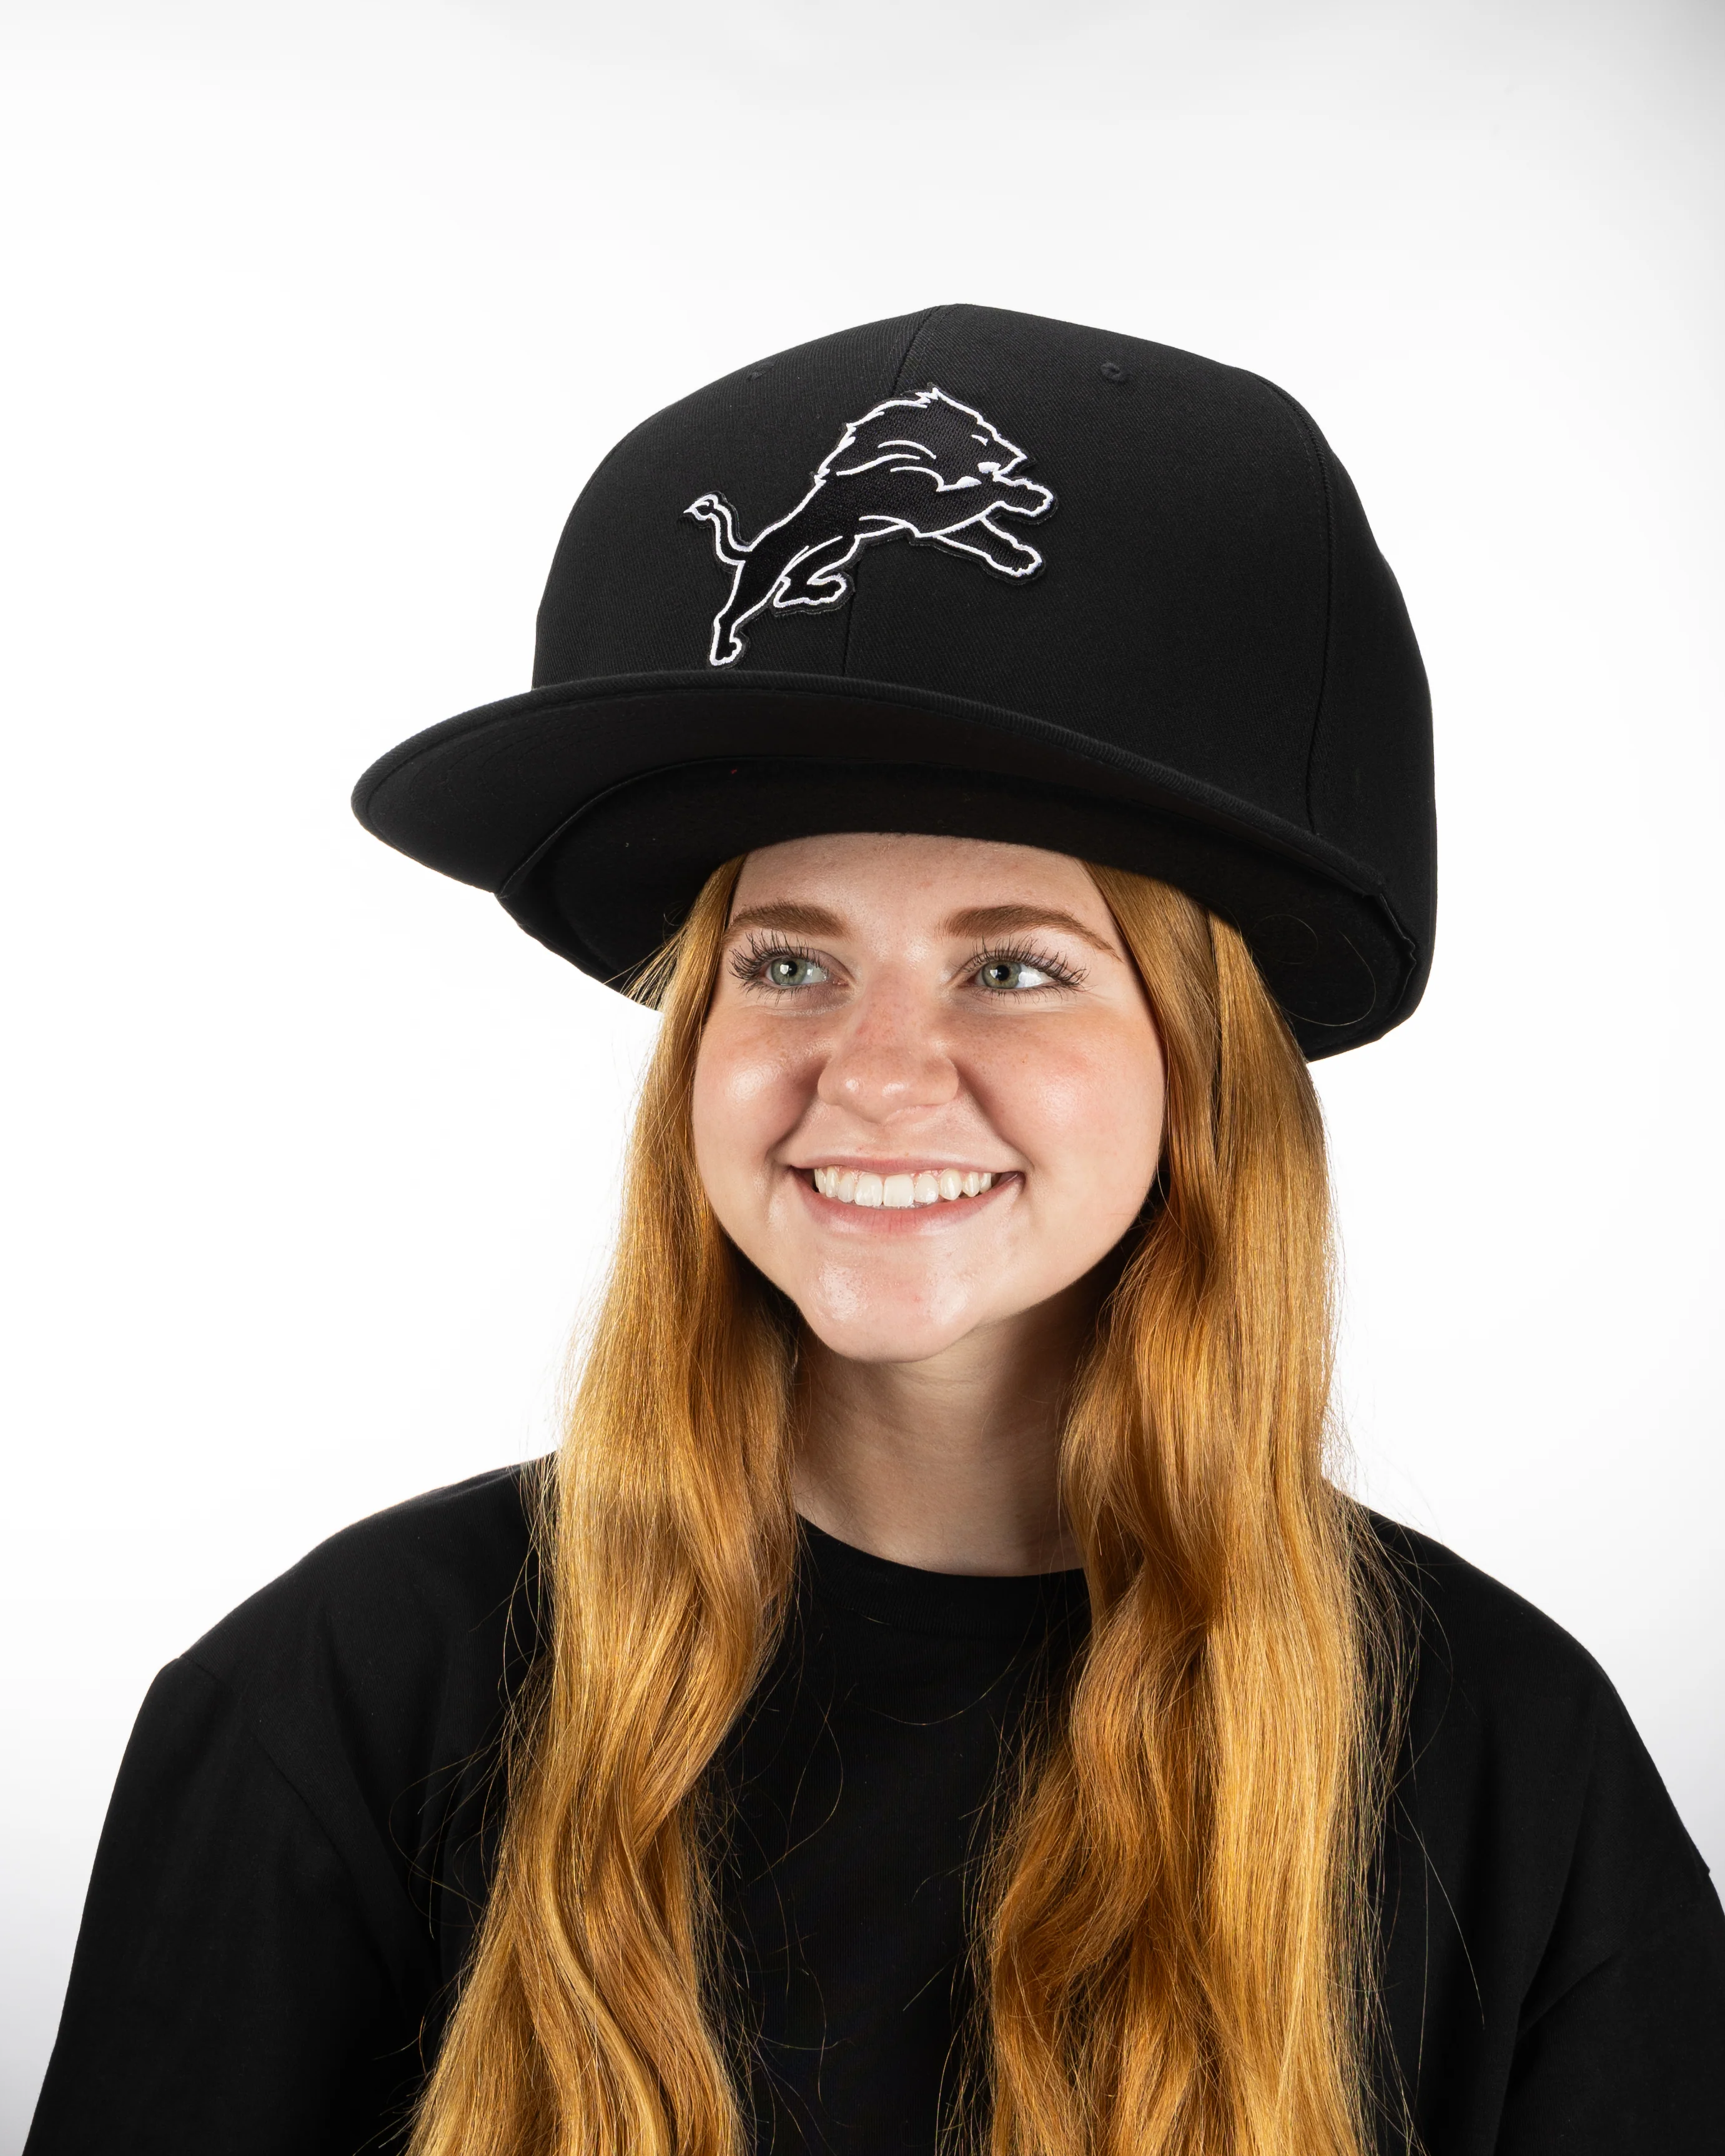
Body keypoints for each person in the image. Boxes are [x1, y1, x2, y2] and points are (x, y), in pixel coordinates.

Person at [26, 306, 1724, 2156]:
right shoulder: (342, 1704)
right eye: (787, 963)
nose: (879, 1074)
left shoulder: (1503, 1765)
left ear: (1206, 1067)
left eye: (1016, 965)